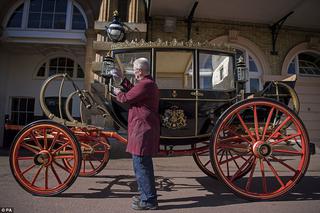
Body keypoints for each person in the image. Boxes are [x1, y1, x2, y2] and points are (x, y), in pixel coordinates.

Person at [112, 57, 160, 210]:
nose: (133, 71)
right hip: (142, 129)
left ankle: (149, 201)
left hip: (142, 130)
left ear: (139, 71)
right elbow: (135, 91)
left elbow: (127, 98)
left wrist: (118, 92)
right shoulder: (147, 84)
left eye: (134, 69)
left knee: (142, 166)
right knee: (141, 165)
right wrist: (123, 80)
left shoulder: (146, 84)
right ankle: (145, 195)